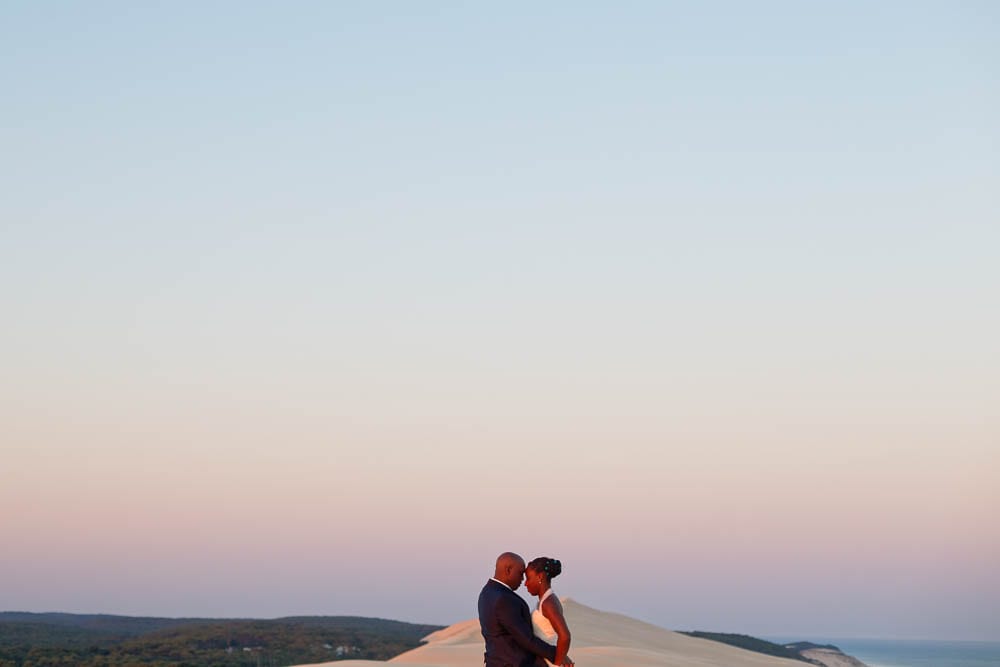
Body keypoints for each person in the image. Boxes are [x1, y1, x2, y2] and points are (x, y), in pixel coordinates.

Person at [478, 552, 573, 667]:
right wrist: (557, 655)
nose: (523, 580)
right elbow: (525, 638)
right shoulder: (504, 599)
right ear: (508, 570)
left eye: (526, 577)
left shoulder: (486, 592)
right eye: (520, 574)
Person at [524, 557, 571, 667]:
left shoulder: (548, 603)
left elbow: (565, 636)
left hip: (549, 662)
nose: (526, 584)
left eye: (528, 578)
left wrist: (557, 664)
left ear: (540, 577)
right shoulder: (546, 600)